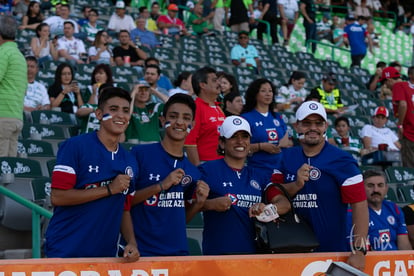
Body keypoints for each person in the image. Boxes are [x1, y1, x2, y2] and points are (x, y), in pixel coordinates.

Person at [268, 101, 368, 270]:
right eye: (306, 123)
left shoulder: (342, 160)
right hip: (290, 253)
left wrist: (359, 250)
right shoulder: (284, 158)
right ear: (297, 126)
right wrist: (296, 184)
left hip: (332, 253)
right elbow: (271, 192)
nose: (313, 128)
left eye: (318, 123)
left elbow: (359, 205)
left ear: (326, 126)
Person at [44, 87, 140, 260]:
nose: (120, 115)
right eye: (113, 109)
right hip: (66, 249)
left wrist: (131, 242)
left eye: (125, 111)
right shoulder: (75, 146)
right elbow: (58, 197)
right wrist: (110, 189)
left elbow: (124, 209)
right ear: (98, 114)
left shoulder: (130, 160)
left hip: (105, 254)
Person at [128, 93, 209, 256]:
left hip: (177, 254)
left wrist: (198, 204)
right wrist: (161, 186)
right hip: (141, 253)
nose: (180, 122)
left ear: (191, 124)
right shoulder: (140, 154)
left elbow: (179, 220)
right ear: (163, 120)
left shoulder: (193, 171)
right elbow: (124, 202)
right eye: (173, 116)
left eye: (186, 118)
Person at [200, 115, 291, 255]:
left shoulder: (259, 175)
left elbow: (284, 204)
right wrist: (211, 204)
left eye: (245, 136)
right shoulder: (207, 170)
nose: (240, 141)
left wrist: (267, 208)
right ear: (222, 143)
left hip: (254, 257)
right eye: (233, 136)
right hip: (218, 256)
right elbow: (189, 204)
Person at [241, 78, 290, 178]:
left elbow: (286, 138)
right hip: (257, 170)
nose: (268, 94)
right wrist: (261, 146)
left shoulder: (277, 116)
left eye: (270, 91)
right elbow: (241, 147)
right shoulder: (246, 118)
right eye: (263, 91)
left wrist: (280, 145)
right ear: (255, 94)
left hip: (280, 170)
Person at [355, 170, 412, 251]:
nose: (376, 190)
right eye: (370, 186)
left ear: (386, 188)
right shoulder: (355, 212)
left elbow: (404, 244)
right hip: (371, 260)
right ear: (362, 188)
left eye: (380, 185)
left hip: (395, 260)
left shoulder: (394, 208)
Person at [184, 66, 225, 166]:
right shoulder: (196, 108)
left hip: (223, 163)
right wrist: (199, 172)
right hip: (206, 165)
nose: (219, 84)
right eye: (214, 80)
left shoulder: (218, 108)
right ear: (202, 85)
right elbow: (190, 143)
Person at [0, 15, 27, 157]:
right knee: (9, 171)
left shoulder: (3, 52)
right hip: (16, 118)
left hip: (2, 118)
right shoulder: (20, 56)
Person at [124, 79, 168, 144]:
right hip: (135, 144)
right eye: (140, 90)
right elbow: (126, 114)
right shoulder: (130, 108)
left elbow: (171, 104)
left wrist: (155, 91)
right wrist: (133, 92)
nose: (143, 93)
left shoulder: (153, 107)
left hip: (154, 143)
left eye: (146, 90)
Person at [391, 66, 414, 168]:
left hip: (409, 131)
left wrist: (400, 125)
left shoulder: (400, 85)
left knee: (409, 167)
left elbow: (403, 105)